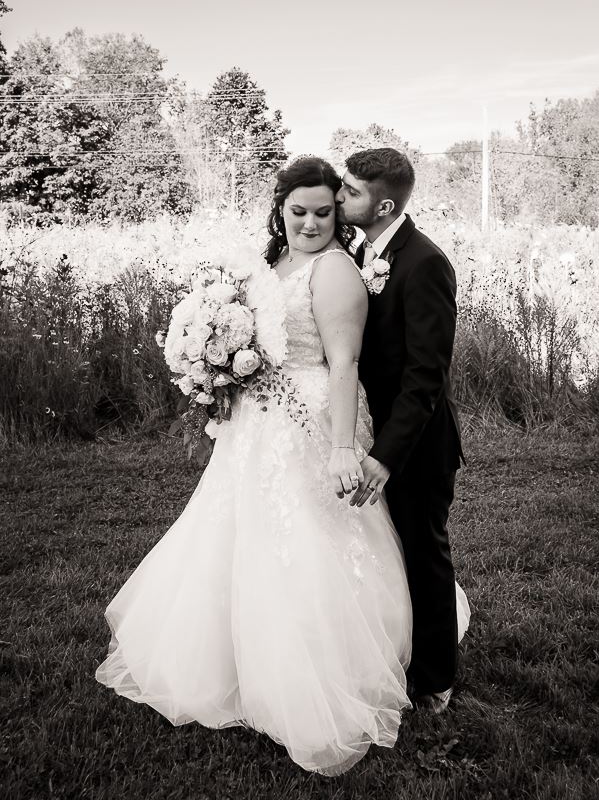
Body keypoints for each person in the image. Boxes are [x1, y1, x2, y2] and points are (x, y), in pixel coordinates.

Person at [96, 155, 468, 775]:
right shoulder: (287, 262)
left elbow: (369, 366)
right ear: (281, 210)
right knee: (241, 535)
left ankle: (421, 674)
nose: (318, 219)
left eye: (330, 207)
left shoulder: (364, 266)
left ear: (368, 207)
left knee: (366, 541)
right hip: (261, 421)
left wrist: (349, 446)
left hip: (343, 423)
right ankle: (238, 657)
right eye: (302, 210)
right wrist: (219, 367)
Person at [336, 148, 464, 714]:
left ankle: (436, 680)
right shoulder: (361, 251)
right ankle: (392, 650)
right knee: (386, 552)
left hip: (417, 444)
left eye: (351, 192)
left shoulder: (424, 263)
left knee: (423, 553)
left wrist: (386, 455)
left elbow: (425, 378)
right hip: (375, 429)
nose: (340, 197)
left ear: (383, 205)